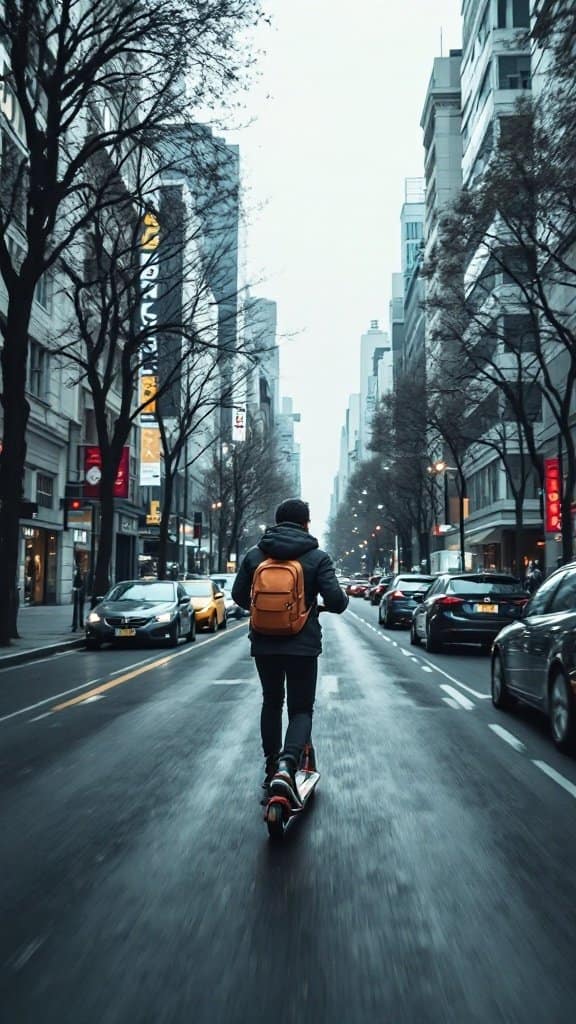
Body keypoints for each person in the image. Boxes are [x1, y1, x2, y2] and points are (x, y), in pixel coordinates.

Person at [232, 498, 348, 807]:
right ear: (306, 523)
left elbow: (238, 596)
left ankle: (271, 768)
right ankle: (288, 765)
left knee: (271, 701)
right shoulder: (317, 557)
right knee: (301, 709)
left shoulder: (255, 554)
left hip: (264, 643)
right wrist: (311, 609)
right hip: (303, 644)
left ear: (276, 520)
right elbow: (337, 601)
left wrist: (267, 612)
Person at [71, 563, 85, 631]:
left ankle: (78, 624)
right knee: (78, 610)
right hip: (79, 595)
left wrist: (77, 589)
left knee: (78, 610)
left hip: (80, 595)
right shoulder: (80, 576)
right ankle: (78, 624)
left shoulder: (79, 576)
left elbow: (78, 585)